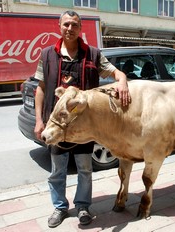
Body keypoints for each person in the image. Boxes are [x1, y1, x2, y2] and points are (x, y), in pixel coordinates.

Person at [34, 10, 131, 228]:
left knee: (84, 169)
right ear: (59, 26)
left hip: (85, 127)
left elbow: (116, 73)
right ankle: (59, 207)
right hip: (57, 125)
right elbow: (40, 89)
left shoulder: (93, 54)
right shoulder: (47, 55)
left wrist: (122, 80)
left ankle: (83, 206)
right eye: (66, 24)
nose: (70, 28)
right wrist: (39, 120)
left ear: (81, 28)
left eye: (74, 25)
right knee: (57, 171)